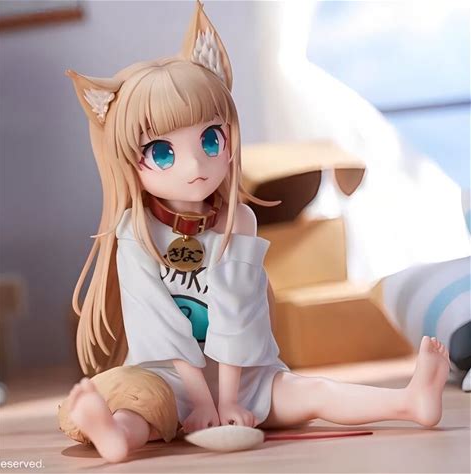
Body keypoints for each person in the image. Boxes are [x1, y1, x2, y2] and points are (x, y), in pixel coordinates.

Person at [58, 1, 451, 463]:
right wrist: (200, 402)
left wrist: (229, 402)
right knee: (140, 408)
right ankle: (116, 436)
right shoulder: (136, 231)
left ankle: (409, 402)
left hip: (244, 376)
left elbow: (237, 310)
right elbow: (159, 325)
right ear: (130, 162)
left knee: (313, 392)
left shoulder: (237, 220)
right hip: (169, 378)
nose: (195, 165)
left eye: (211, 140)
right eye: (163, 153)